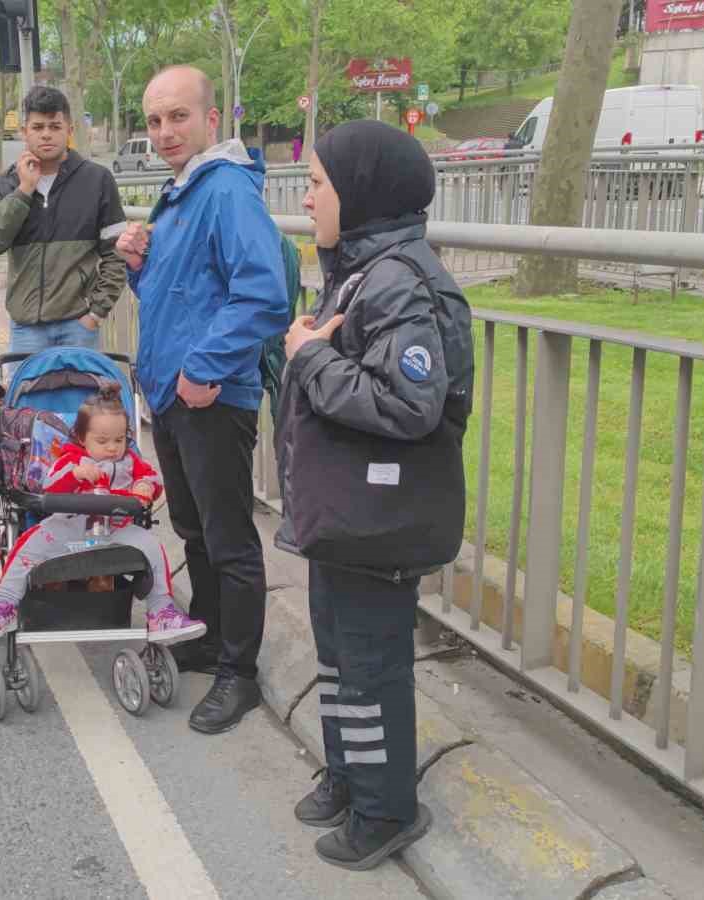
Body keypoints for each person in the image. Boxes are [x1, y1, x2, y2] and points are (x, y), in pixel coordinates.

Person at [276, 120, 473, 870]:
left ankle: (387, 809)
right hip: (348, 515)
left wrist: (312, 357)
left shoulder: (400, 279)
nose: (308, 195)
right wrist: (316, 346)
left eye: (319, 182)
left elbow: (409, 403)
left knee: (370, 663)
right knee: (337, 652)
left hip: (379, 521)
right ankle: (352, 775)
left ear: (360, 192)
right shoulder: (365, 267)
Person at [114, 65, 288, 735]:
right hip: (175, 392)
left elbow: (264, 294)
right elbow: (183, 294)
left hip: (211, 394)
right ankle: (213, 639)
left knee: (229, 537)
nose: (163, 132)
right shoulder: (179, 192)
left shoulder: (226, 192)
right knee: (194, 527)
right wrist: (138, 267)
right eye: (154, 120)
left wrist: (205, 366)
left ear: (211, 120)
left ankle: (238, 673)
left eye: (177, 117)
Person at [0, 382, 207, 643]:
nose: (112, 448)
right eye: (103, 441)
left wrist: (145, 486)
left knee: (152, 547)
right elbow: (49, 485)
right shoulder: (71, 458)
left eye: (119, 440)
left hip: (115, 529)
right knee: (26, 548)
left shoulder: (130, 462)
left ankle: (162, 611)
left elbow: (152, 479)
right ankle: (4, 605)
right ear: (81, 438)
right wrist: (74, 474)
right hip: (68, 528)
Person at [0, 86, 127, 355]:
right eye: (37, 127)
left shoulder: (97, 180)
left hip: (79, 326)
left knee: (83, 399)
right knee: (26, 398)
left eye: (55, 126)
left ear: (69, 130)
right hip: (26, 330)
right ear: (25, 132)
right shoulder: (8, 182)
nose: (46, 134)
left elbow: (117, 254)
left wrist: (95, 313)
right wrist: (24, 190)